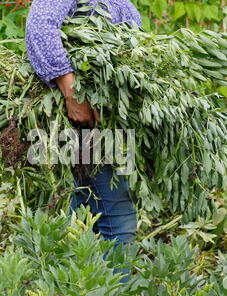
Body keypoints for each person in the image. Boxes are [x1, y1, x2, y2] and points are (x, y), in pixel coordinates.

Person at [25, 1, 141, 248]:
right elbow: (40, 26)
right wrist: (72, 92)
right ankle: (117, 287)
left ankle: (74, 284)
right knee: (118, 220)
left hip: (108, 120)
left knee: (84, 212)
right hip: (82, 118)